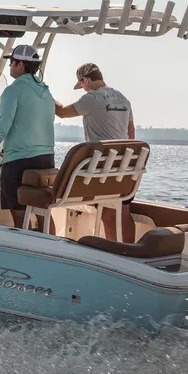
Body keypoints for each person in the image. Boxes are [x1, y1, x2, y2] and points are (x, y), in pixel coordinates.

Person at [0, 45, 56, 232]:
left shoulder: (12, 91)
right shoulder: (46, 92)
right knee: (43, 211)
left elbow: (1, 129)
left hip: (19, 161)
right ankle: (50, 246)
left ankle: (26, 250)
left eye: (11, 63)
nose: (9, 67)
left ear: (20, 64)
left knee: (19, 213)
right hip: (47, 159)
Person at [54, 62, 136, 243]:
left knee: (107, 213)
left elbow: (61, 113)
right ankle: (130, 251)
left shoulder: (92, 97)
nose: (83, 89)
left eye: (81, 85)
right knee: (123, 211)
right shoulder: (123, 98)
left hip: (103, 167)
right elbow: (131, 134)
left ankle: (112, 254)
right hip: (125, 166)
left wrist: (45, 94)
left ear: (86, 80)